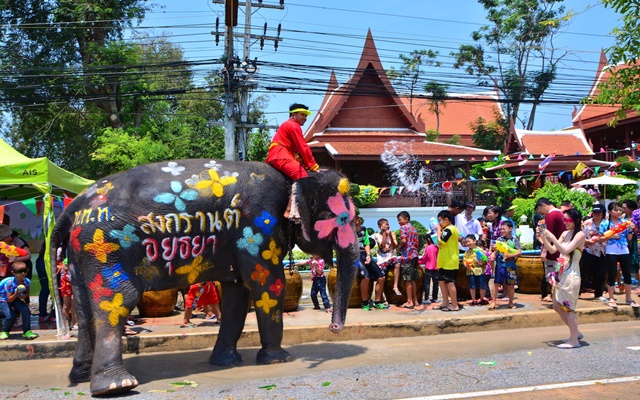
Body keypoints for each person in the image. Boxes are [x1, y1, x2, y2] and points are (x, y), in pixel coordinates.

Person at [539, 208, 585, 349]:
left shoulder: (580, 235)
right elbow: (553, 250)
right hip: (560, 274)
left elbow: (565, 250)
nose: (565, 222)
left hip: (571, 275)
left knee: (568, 308)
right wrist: (544, 237)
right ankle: (575, 332)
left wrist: (551, 236)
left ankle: (573, 340)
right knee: (557, 306)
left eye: (568, 220)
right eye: (564, 220)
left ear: (576, 220)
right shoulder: (565, 234)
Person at [265, 103, 320, 220]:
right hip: (281, 155)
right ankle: (291, 210)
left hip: (280, 155)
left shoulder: (288, 125)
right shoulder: (293, 126)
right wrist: (313, 166)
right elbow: (303, 147)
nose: (305, 118)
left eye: (306, 115)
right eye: (302, 115)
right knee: (302, 176)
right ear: (293, 115)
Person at [600, 202, 638, 309]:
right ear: (610, 211)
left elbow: (629, 239)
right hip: (611, 251)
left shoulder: (624, 222)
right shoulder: (605, 223)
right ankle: (611, 298)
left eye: (619, 210)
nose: (618, 212)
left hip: (624, 250)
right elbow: (601, 238)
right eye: (615, 210)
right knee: (611, 274)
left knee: (627, 274)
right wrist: (611, 236)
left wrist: (630, 229)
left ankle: (628, 297)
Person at [535, 198, 564, 302]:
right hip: (562, 249)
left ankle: (555, 297)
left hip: (553, 251)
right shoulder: (561, 213)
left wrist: (544, 251)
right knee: (560, 274)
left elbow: (547, 234)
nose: (540, 213)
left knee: (553, 275)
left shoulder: (551, 215)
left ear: (544, 205)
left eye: (539, 209)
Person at [0, 261, 38, 340]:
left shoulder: (27, 282)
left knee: (25, 309)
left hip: (15, 298)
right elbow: (9, 299)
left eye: (25, 271)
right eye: (20, 271)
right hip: (3, 299)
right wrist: (17, 292)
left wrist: (22, 295)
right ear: (13, 273)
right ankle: (5, 331)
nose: (23, 273)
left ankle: (27, 330)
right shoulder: (10, 283)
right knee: (10, 316)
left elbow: (26, 293)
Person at [489, 220, 521, 310]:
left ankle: (510, 302)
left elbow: (519, 252)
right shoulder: (499, 239)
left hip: (511, 266)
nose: (502, 231)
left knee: (511, 285)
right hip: (500, 265)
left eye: (504, 229)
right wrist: (493, 254)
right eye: (501, 229)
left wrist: (509, 255)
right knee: (496, 283)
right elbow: (496, 250)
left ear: (510, 229)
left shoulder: (515, 240)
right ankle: (494, 302)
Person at [433, 210, 460, 312]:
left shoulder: (449, 229)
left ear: (446, 219)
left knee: (449, 282)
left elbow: (440, 241)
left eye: (440, 220)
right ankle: (445, 302)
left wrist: (438, 230)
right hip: (444, 259)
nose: (439, 223)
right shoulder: (449, 229)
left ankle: (454, 304)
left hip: (449, 260)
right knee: (441, 280)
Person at [582, 204, 608, 301]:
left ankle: (598, 293)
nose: (596, 215)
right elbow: (580, 236)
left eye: (599, 213)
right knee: (584, 271)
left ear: (603, 214)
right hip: (589, 250)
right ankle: (578, 291)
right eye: (595, 213)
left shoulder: (607, 223)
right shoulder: (586, 223)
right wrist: (588, 241)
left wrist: (602, 239)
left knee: (600, 273)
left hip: (602, 251)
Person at [396, 211, 420, 310]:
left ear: (406, 219)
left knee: (407, 279)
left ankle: (409, 301)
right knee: (413, 279)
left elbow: (404, 240)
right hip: (414, 254)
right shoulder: (414, 228)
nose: (399, 222)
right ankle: (415, 300)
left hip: (407, 255)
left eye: (400, 220)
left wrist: (399, 248)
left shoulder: (403, 227)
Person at [372, 218, 396, 309]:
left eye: (388, 224)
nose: (387, 226)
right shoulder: (377, 235)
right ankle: (379, 299)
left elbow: (394, 246)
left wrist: (391, 236)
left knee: (398, 264)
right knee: (381, 278)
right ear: (379, 227)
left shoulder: (392, 233)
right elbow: (382, 246)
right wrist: (385, 235)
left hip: (391, 258)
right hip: (382, 260)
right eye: (385, 224)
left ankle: (395, 286)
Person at [463, 234, 489, 306]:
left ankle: (482, 298)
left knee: (482, 286)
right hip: (470, 271)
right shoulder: (467, 252)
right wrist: (466, 264)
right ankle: (473, 299)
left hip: (480, 270)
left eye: (469, 241)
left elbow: (485, 260)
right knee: (472, 286)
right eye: (466, 242)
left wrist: (482, 261)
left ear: (474, 241)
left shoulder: (480, 250)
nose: (468, 243)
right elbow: (465, 260)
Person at [621, 200, 639, 292]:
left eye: (625, 208)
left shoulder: (636, 217)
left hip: (635, 240)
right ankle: (624, 285)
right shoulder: (624, 217)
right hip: (626, 241)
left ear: (631, 208)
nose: (623, 210)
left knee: (636, 262)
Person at [35, 243, 55, 323]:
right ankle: (53, 314)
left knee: (45, 289)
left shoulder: (47, 240)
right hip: (47, 262)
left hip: (41, 261)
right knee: (54, 289)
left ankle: (42, 314)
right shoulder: (56, 239)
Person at [57, 251, 77, 329]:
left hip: (74, 283)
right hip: (66, 284)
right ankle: (65, 323)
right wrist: (63, 266)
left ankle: (74, 323)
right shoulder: (65, 259)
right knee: (66, 305)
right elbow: (61, 266)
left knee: (74, 304)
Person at [418, 235, 439, 305]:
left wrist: (418, 261)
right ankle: (435, 298)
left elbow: (425, 258)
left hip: (429, 267)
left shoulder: (428, 248)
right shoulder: (437, 247)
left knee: (427, 284)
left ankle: (426, 298)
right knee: (436, 284)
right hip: (436, 267)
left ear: (428, 240)